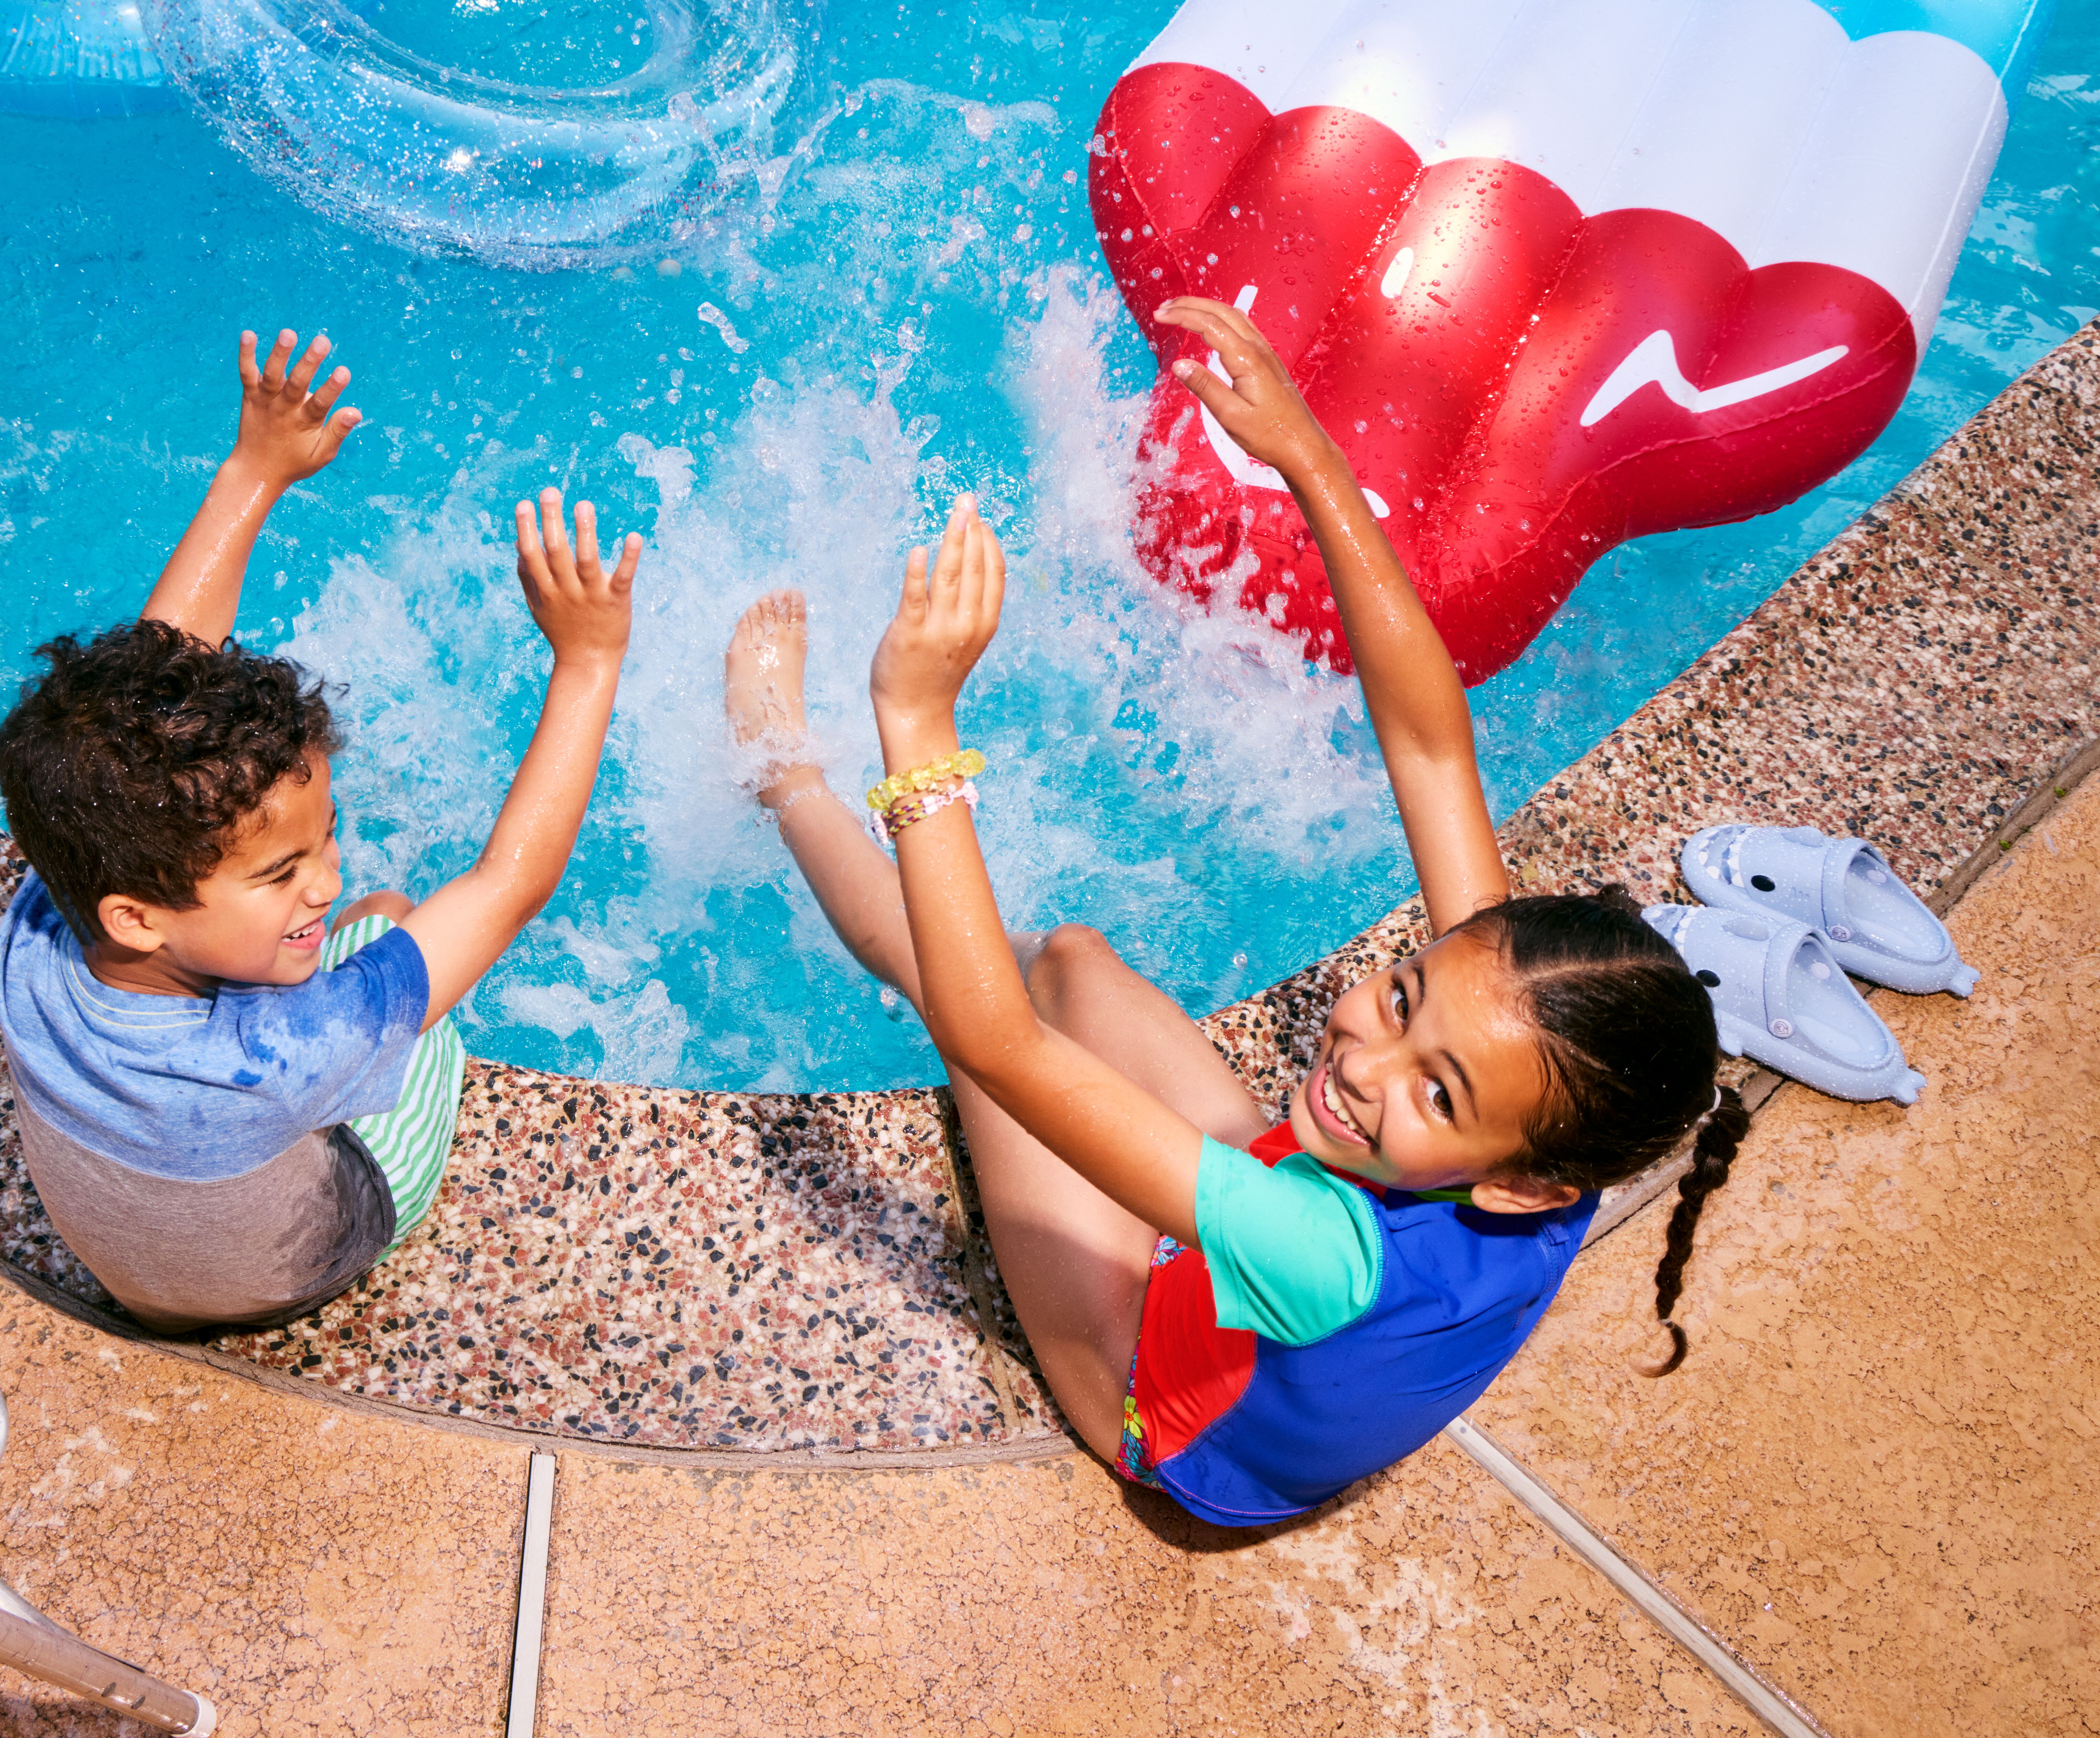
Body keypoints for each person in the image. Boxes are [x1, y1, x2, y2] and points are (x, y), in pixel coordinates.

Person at [724, 295, 1746, 1528]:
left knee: (971, 1009)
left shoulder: (1321, 1253)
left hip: (1159, 1398)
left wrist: (921, 728)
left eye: (1437, 1090)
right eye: (1407, 997)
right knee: (1074, 960)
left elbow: (998, 1040)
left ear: (1526, 1185)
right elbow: (1430, 745)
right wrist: (1309, 458)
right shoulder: (1542, 1088)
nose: (1371, 1060)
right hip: (1294, 1264)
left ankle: (782, 772)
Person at [0, 325, 640, 1334]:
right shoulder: (281, 1050)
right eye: (285, 868)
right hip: (293, 1264)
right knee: (396, 923)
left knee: (371, 912)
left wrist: (255, 472)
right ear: (140, 914)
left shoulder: (41, 923)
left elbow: (161, 674)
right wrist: (587, 664)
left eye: (321, 840)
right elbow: (509, 883)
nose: (325, 879)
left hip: (125, 1255)